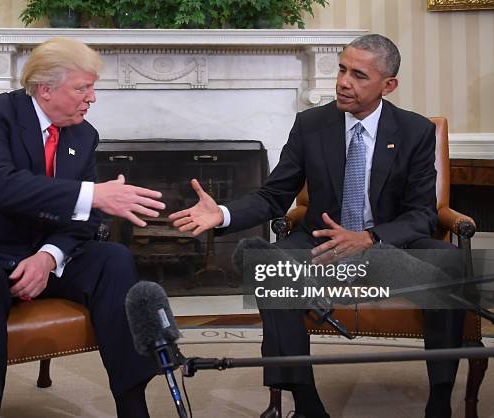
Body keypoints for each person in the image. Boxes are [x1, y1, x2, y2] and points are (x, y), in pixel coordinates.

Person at [170, 34, 464, 418]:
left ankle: (439, 401)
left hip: (390, 248)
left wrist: (369, 238)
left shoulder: (414, 131)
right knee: (271, 271)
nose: (343, 82)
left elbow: (423, 214)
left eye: (359, 75)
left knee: (449, 266)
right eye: (342, 69)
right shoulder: (312, 124)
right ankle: (307, 404)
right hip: (322, 247)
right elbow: (273, 196)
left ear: (387, 85)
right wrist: (222, 214)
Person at [0, 38, 164, 418]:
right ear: (45, 89)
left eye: (92, 87)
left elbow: (83, 220)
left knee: (113, 259)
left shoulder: (82, 135)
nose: (93, 98)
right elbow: (0, 184)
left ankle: (133, 404)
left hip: (35, 254)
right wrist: (94, 195)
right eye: (83, 88)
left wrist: (48, 259)